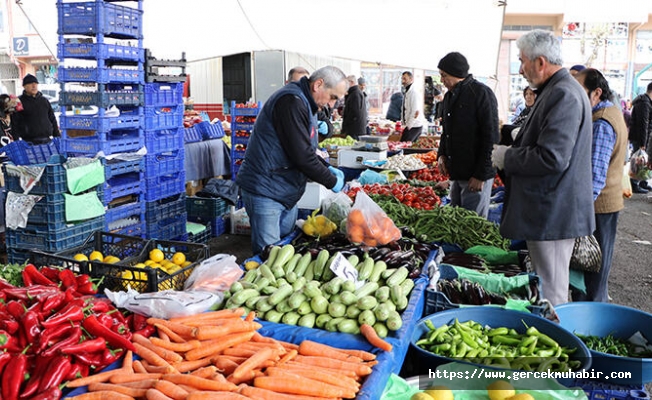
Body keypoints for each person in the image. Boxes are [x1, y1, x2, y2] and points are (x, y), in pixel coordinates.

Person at [491, 30, 595, 306]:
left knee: (551, 290)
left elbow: (552, 157)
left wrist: (507, 157)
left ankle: (560, 343)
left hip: (554, 210)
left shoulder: (563, 94)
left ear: (540, 62)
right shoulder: (556, 90)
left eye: (522, 61)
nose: (521, 68)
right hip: (549, 209)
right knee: (546, 283)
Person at [236, 66, 348, 255]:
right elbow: (301, 156)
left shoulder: (307, 103)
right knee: (270, 257)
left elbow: (305, 149)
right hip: (266, 189)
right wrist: (331, 180)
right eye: (333, 97)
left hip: (285, 190)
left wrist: (327, 167)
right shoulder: (291, 101)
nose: (331, 105)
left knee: (285, 251)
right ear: (318, 84)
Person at [573, 68, 628, 303]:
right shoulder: (610, 112)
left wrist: (580, 211)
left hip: (599, 207)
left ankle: (589, 320)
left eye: (580, 91)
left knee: (592, 269)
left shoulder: (602, 122)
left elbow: (595, 177)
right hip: (603, 205)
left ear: (597, 93)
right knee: (593, 267)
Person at [436, 52, 499, 218]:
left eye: (444, 75)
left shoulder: (481, 93)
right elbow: (446, 131)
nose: (441, 80)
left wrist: (481, 174)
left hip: (475, 174)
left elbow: (491, 137)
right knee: (457, 221)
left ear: (456, 74)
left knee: (472, 224)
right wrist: (441, 154)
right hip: (457, 172)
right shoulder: (449, 97)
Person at [11, 74, 60, 144]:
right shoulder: (19, 102)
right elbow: (14, 122)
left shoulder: (44, 101)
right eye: (31, 84)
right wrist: (16, 141)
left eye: (35, 84)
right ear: (24, 86)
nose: (34, 86)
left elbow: (52, 118)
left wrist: (57, 136)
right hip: (28, 142)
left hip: (47, 140)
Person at [631, 82, 652, 193]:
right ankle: (634, 183)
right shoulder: (645, 103)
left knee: (644, 161)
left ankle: (643, 182)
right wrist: (643, 143)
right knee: (638, 161)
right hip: (640, 137)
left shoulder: (644, 101)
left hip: (641, 136)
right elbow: (643, 124)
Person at [399, 71, 425, 142]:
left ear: (411, 79)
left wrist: (409, 125)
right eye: (402, 79)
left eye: (405, 79)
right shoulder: (408, 91)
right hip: (412, 125)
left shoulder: (413, 92)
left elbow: (415, 111)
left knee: (404, 147)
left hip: (414, 125)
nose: (403, 81)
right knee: (406, 147)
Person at [341, 75, 368, 139]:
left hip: (354, 130)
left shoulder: (355, 94)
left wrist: (345, 125)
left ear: (351, 82)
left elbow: (354, 112)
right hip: (357, 129)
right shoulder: (355, 93)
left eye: (346, 83)